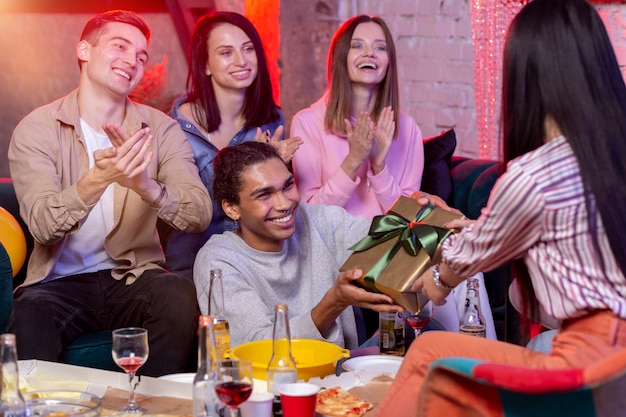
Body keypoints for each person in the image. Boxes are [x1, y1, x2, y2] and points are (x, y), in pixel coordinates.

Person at [376, 0, 626, 415]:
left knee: (428, 354)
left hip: (586, 361)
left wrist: (436, 276)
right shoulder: (609, 156)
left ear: (525, 75)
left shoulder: (533, 175)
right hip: (616, 365)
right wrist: (468, 226)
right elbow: (539, 230)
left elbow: (460, 263)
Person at [7, 10, 212, 377]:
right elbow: (42, 227)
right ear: (84, 50)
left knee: (178, 296)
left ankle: (154, 406)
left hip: (131, 276)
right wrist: (98, 179)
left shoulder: (161, 129)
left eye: (141, 55)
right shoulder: (37, 129)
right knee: (30, 310)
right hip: (58, 283)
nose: (132, 60)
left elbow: (199, 213)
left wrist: (145, 185)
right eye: (120, 46)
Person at [193, 141, 405, 349]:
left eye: (288, 186)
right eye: (265, 194)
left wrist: (421, 217)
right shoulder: (218, 261)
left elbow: (385, 242)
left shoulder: (315, 218)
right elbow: (260, 347)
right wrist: (333, 302)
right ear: (232, 209)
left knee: (424, 330)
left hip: (343, 375)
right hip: (269, 380)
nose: (284, 204)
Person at [162, 11, 302, 279]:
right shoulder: (175, 127)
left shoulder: (272, 121)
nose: (241, 60)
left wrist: (272, 170)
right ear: (205, 65)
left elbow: (275, 208)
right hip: (187, 266)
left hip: (252, 263)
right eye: (226, 52)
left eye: (248, 49)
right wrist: (248, 172)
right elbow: (180, 211)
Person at [291, 15, 423, 220]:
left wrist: (379, 167)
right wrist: (353, 160)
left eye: (380, 48)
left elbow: (409, 219)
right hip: (333, 247)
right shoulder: (307, 123)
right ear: (340, 56)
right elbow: (309, 218)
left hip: (388, 248)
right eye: (357, 46)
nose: (369, 53)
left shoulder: (408, 128)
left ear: (389, 62)